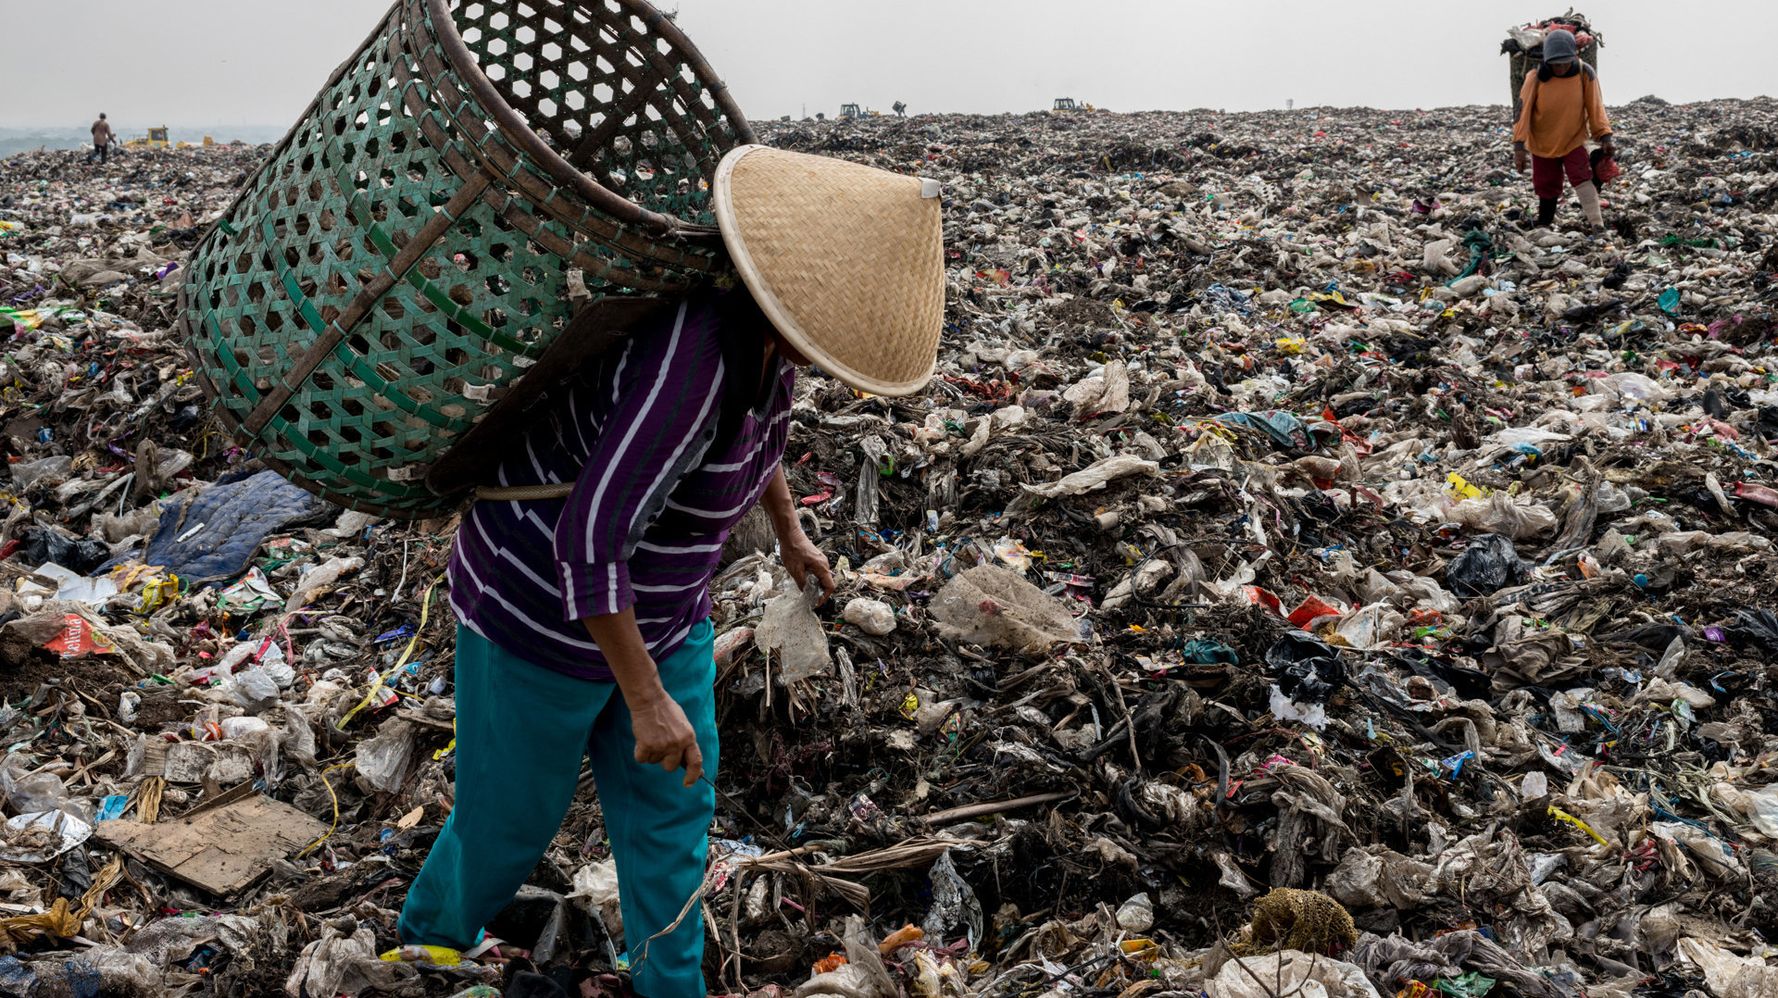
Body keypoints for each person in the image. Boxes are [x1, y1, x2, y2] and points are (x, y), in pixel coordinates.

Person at [388, 145, 946, 997]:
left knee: (674, 816)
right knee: (512, 815)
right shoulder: (686, 366)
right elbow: (590, 539)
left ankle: (668, 988)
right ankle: (427, 945)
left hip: (665, 610)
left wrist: (791, 535)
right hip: (535, 612)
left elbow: (757, 445)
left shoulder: (768, 353)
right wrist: (644, 699)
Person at [1512, 29, 1615, 230]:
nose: (1560, 67)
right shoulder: (1535, 77)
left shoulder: (1584, 73)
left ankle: (1597, 224)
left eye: (1564, 62)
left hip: (1572, 139)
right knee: (1547, 186)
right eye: (1555, 64)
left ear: (1574, 57)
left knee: (1582, 177)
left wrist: (1605, 136)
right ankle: (1544, 224)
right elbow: (1522, 113)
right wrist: (1519, 146)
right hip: (1542, 142)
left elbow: (1595, 107)